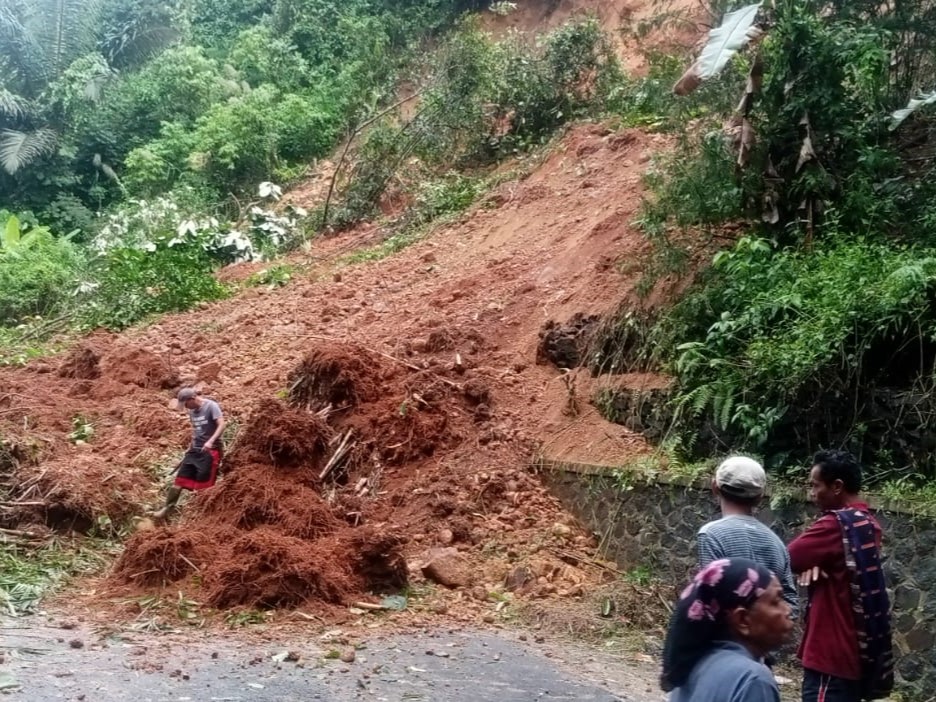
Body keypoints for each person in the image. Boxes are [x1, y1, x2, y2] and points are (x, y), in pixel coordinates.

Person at [788, 450, 894, 702]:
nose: (812, 494)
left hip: (829, 657)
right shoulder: (867, 524)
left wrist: (807, 563)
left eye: (815, 486)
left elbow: (786, 558)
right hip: (854, 656)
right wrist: (810, 564)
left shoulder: (836, 525)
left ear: (837, 486)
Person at [661, 557, 794, 701]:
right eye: (776, 601)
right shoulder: (752, 680)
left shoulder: (693, 663)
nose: (788, 610)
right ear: (742, 619)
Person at [697, 456, 799, 617]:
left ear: (715, 487)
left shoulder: (711, 534)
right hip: (767, 640)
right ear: (760, 496)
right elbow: (791, 603)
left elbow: (709, 599)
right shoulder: (776, 543)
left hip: (726, 640)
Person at [152, 388, 225, 520]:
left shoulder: (211, 406)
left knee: (204, 486)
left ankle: (204, 515)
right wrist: (190, 447)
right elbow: (195, 431)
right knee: (179, 480)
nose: (186, 407)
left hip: (210, 451)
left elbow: (221, 424)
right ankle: (167, 508)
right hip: (194, 450)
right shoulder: (192, 411)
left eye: (186, 404)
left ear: (192, 399)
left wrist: (210, 441)